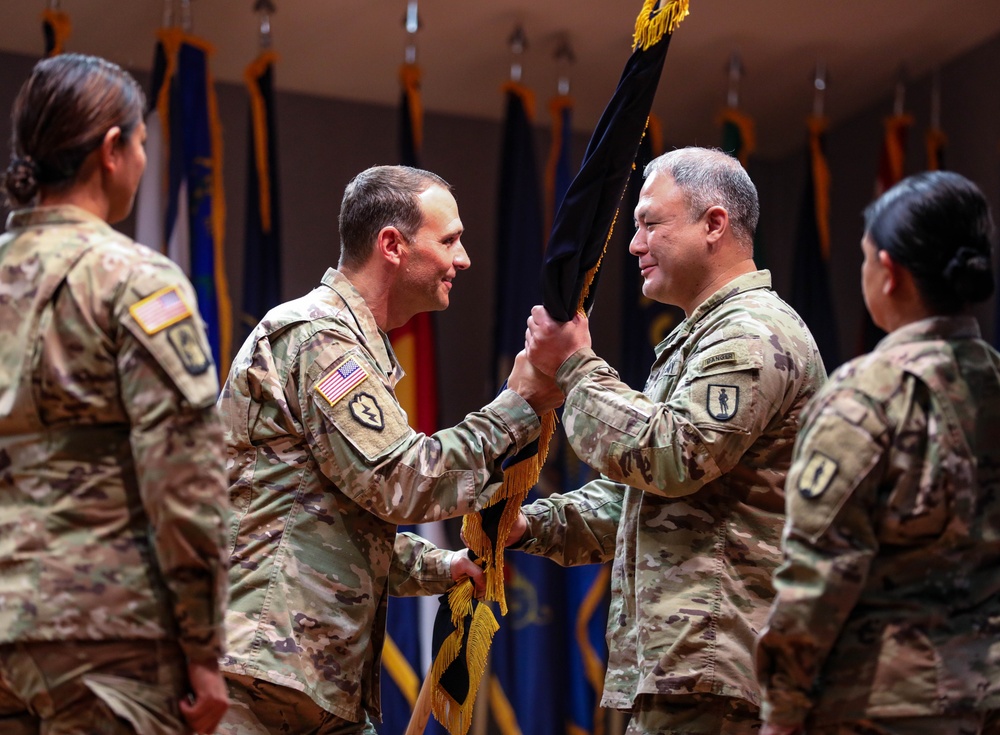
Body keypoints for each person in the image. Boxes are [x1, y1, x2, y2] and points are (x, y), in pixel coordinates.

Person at [217, 164, 562, 734]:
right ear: (393, 245)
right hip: (264, 674)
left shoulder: (355, 347)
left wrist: (442, 565)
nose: (464, 258)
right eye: (449, 239)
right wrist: (516, 405)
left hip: (310, 677)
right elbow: (399, 480)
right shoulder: (319, 336)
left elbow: (334, 521)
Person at [514, 146, 826, 734]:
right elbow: (640, 497)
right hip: (688, 669)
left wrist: (577, 368)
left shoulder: (752, 333)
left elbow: (673, 456)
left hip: (721, 666)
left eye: (650, 224)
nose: (633, 245)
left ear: (714, 224)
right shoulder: (704, 335)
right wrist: (531, 526)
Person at [0, 54, 230, 734]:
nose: (142, 162)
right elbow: (184, 479)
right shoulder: (137, 279)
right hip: (105, 639)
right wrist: (206, 648)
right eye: (141, 145)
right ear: (111, 150)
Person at [756, 171, 1000, 735]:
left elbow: (819, 572)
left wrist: (781, 712)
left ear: (888, 273)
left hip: (886, 704)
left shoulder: (867, 393)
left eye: (865, 258)